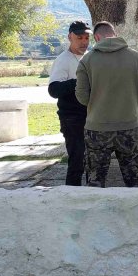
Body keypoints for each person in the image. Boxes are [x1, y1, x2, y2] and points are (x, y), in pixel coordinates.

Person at [75, 21, 138, 188]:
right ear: (115, 34)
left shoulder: (86, 61)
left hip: (97, 129)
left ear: (96, 37)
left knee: (95, 181)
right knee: (133, 180)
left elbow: (82, 97)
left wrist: (99, 99)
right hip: (128, 127)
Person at [47, 20, 91, 186]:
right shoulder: (63, 60)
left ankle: (89, 194)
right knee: (77, 160)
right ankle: (70, 194)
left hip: (90, 117)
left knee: (91, 160)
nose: (84, 42)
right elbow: (54, 90)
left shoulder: (90, 57)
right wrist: (79, 81)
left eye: (86, 38)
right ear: (70, 37)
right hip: (71, 119)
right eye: (79, 38)